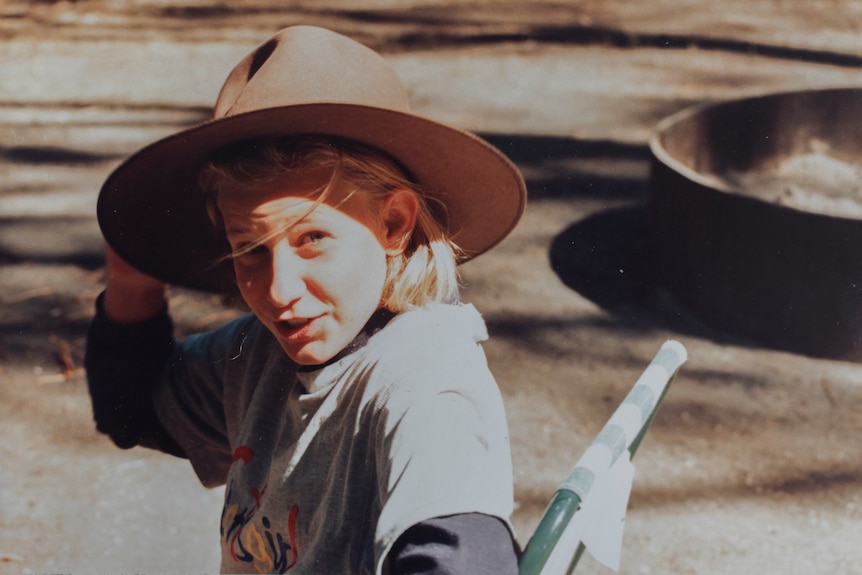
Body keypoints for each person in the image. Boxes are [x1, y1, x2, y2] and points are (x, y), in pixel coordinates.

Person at [85, 25, 526, 574]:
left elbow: (463, 558)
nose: (278, 291)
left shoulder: (426, 382)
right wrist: (133, 285)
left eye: (312, 239)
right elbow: (133, 410)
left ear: (393, 223)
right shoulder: (261, 354)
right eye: (249, 250)